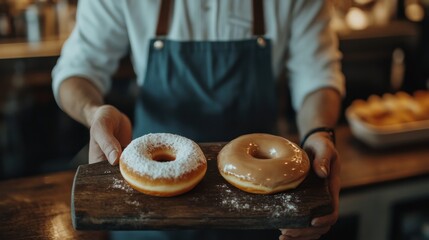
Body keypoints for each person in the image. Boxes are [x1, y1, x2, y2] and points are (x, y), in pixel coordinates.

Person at [52, 0, 345, 239]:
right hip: (148, 206)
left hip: (263, 203)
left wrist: (318, 132)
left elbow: (317, 76)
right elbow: (76, 70)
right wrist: (93, 112)